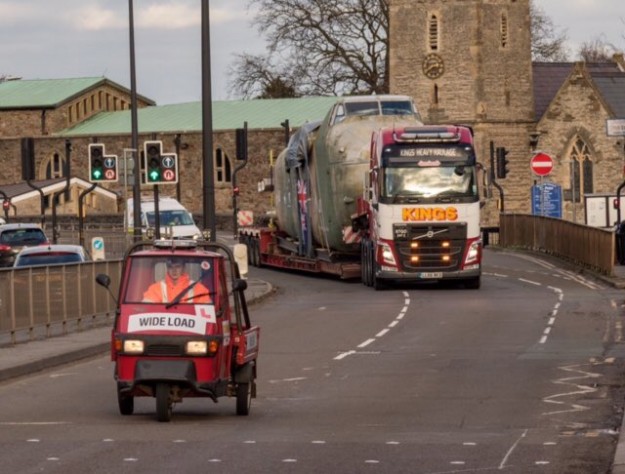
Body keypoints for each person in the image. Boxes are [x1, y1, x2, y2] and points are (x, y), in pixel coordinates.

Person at [143, 259, 211, 303]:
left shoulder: (198, 288)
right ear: (167, 268)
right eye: (171, 267)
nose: (174, 270)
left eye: (177, 267)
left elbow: (206, 314)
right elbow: (146, 310)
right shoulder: (156, 288)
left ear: (183, 268)